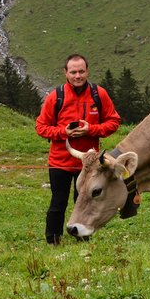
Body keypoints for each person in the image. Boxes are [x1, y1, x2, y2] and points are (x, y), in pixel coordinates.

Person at [33, 54, 121, 244]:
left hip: (89, 165)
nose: (78, 76)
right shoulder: (56, 97)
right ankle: (53, 241)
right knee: (58, 203)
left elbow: (114, 121)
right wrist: (63, 133)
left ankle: (83, 238)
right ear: (66, 73)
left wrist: (91, 129)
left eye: (81, 71)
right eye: (73, 72)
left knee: (85, 202)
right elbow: (41, 127)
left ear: (87, 71)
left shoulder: (99, 94)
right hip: (60, 162)